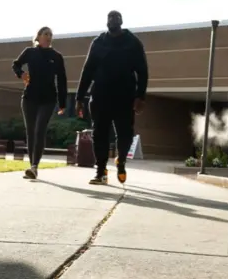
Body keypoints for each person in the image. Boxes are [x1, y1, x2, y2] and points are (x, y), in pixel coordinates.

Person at [75, 11, 148, 185]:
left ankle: (120, 160)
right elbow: (87, 70)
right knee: (99, 134)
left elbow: (142, 71)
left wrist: (140, 96)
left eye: (116, 18)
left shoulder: (133, 42)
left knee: (125, 134)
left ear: (121, 21)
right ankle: (101, 172)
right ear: (106, 22)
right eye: (110, 18)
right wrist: (79, 97)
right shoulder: (98, 42)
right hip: (100, 95)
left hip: (125, 97)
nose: (113, 20)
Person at [12, 26, 67, 179]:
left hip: (48, 99)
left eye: (50, 34)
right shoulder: (29, 53)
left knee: (39, 130)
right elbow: (15, 64)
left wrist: (62, 103)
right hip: (29, 98)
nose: (48, 36)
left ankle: (35, 165)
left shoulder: (56, 56)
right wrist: (21, 73)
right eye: (45, 34)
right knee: (30, 132)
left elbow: (62, 80)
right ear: (38, 37)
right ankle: (32, 167)